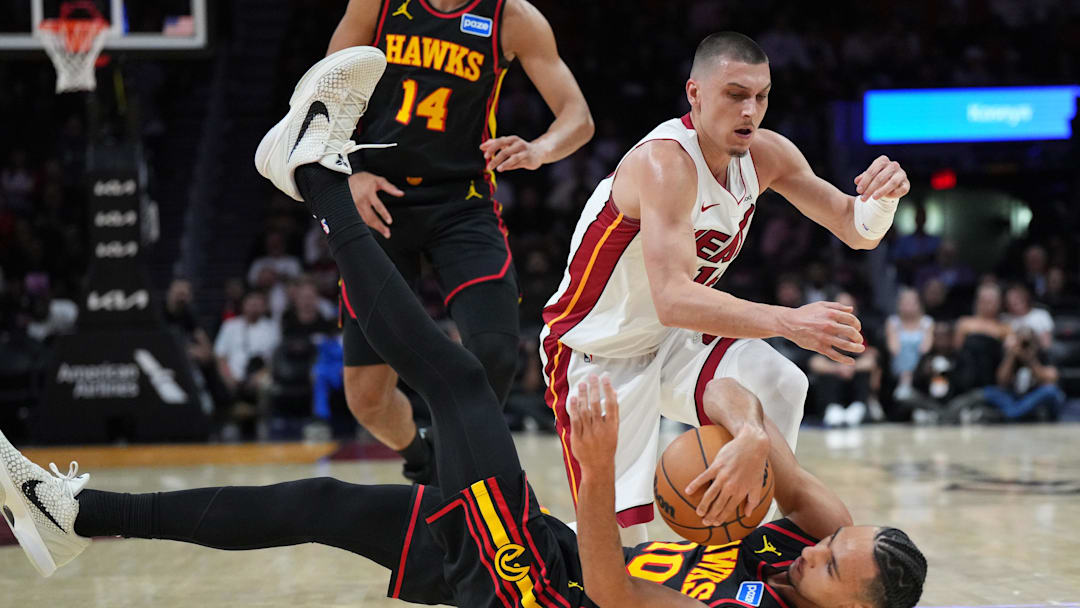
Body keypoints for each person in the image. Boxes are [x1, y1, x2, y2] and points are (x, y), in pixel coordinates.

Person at [1, 55, 927, 603]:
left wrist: (599, 479)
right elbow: (781, 471)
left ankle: (318, 177)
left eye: (831, 566)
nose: (816, 549)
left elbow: (614, 598)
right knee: (321, 507)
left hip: (542, 583)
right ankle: (81, 517)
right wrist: (758, 438)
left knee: (455, 382)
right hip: (536, 555)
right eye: (834, 542)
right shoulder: (822, 534)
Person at [540, 32, 909, 542]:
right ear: (695, 93)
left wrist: (883, 197)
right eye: (735, 94)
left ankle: (755, 537)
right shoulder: (663, 162)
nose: (750, 110)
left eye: (761, 96)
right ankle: (540, 559)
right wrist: (788, 321)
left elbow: (855, 228)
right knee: (624, 544)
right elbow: (672, 298)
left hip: (674, 342)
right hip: (596, 351)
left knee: (782, 383)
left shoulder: (767, 153)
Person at [307, 0, 594, 483]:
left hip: (462, 201)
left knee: (497, 354)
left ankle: (449, 466)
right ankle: (426, 461)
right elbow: (319, 98)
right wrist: (351, 174)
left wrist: (539, 149)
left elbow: (578, 117)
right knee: (367, 397)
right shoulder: (377, 5)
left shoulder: (512, 17)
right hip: (378, 197)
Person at [811, 293, 881, 427]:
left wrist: (851, 367)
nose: (844, 311)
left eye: (849, 307)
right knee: (826, 374)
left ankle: (859, 408)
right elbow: (814, 362)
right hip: (833, 378)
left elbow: (872, 360)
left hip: (855, 376)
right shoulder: (821, 329)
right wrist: (838, 368)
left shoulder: (865, 327)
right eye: (840, 307)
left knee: (865, 373)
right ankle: (832, 410)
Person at [886, 287, 933, 401]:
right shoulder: (893, 322)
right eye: (905, 303)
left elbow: (926, 348)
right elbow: (894, 348)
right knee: (905, 348)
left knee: (910, 349)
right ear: (899, 305)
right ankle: (905, 381)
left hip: (920, 364)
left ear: (919, 304)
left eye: (912, 303)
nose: (908, 306)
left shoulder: (927, 322)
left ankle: (906, 382)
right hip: (897, 364)